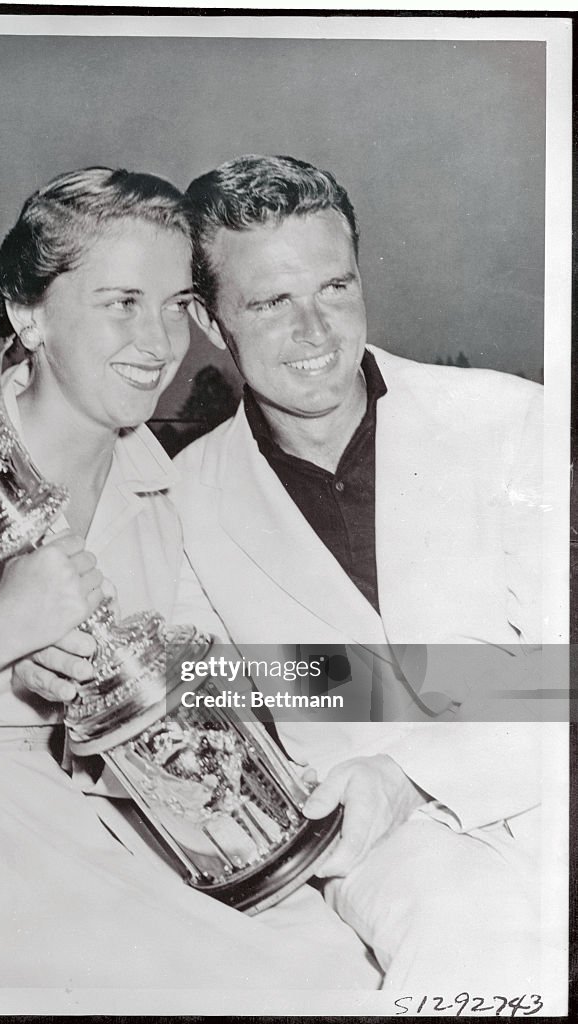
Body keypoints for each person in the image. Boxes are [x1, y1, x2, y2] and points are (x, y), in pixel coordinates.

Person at [0, 166, 379, 989]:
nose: (161, 345)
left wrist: (490, 696)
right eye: (121, 302)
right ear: (29, 315)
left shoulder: (162, 483)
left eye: (173, 306)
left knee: (333, 964)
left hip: (98, 822)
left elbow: (228, 677)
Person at [171, 154, 563, 990]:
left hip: (551, 790)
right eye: (271, 302)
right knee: (476, 943)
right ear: (211, 322)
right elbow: (212, 697)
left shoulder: (509, 417)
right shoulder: (181, 498)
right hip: (385, 851)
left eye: (335, 289)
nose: (314, 334)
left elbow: (560, 673)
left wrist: (388, 752)